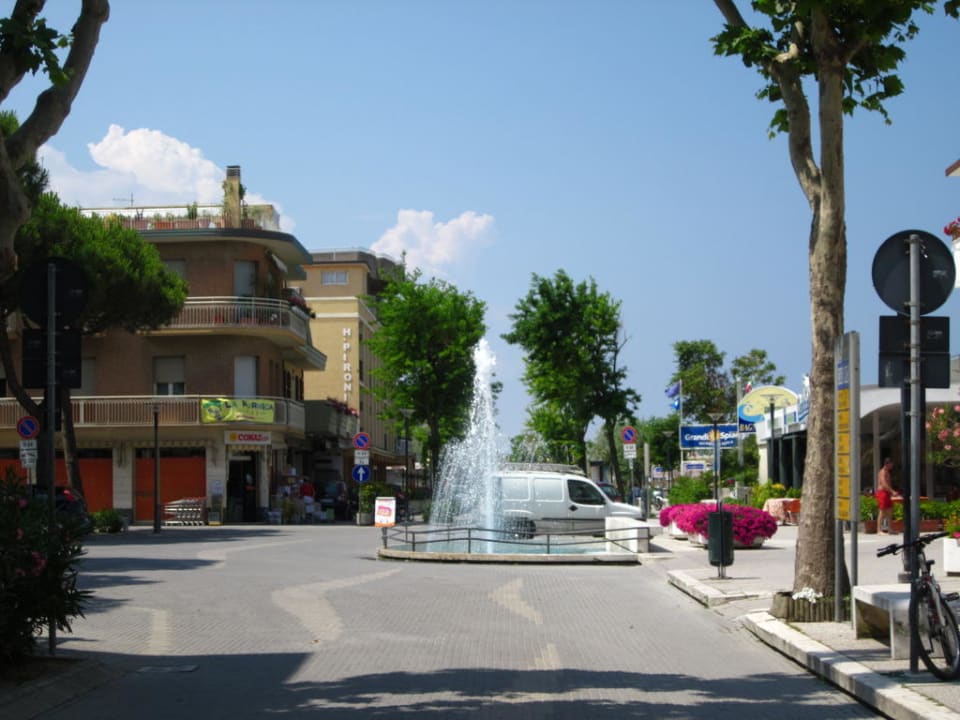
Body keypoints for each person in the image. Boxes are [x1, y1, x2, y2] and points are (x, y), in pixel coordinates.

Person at [876, 457, 897, 534]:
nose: (892, 466)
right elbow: (884, 484)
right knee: (882, 511)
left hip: (887, 493)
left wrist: (891, 492)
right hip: (882, 493)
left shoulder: (887, 472)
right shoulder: (882, 472)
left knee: (890, 511)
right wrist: (892, 491)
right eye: (891, 464)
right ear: (887, 464)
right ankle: (879, 530)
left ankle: (890, 529)